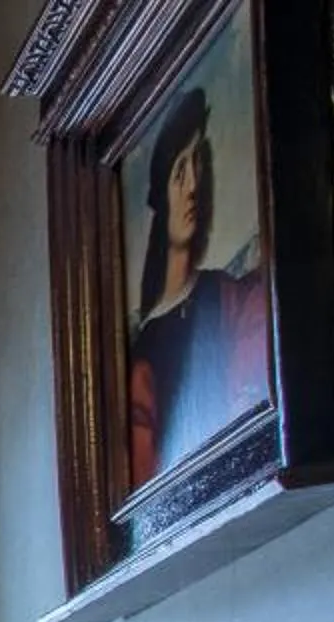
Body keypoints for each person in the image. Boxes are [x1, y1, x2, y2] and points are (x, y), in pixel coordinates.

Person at [125, 85, 272, 488]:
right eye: (179, 172)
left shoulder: (229, 295)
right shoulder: (141, 348)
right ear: (160, 193)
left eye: (198, 165)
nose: (192, 185)